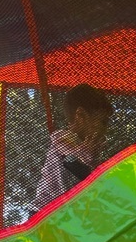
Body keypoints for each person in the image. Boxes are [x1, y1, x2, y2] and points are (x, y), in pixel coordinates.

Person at [31, 84, 112, 214]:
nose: (105, 128)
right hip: (43, 212)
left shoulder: (88, 148)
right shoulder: (62, 137)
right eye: (103, 121)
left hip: (65, 213)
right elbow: (71, 155)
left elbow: (90, 176)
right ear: (81, 116)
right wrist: (86, 154)